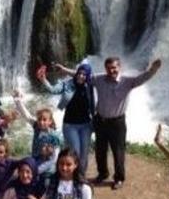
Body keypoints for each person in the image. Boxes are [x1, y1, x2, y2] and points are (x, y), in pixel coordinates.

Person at [56, 57, 161, 190]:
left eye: (114, 67)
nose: (112, 70)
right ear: (106, 69)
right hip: (100, 120)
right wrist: (64, 70)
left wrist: (153, 70)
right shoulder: (99, 79)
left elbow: (142, 78)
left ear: (119, 67)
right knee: (100, 150)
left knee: (118, 152)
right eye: (109, 68)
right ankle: (102, 173)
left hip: (117, 122)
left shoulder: (128, 81)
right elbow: (81, 74)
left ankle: (119, 178)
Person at [38, 62, 95, 176]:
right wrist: (43, 79)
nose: (81, 76)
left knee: (84, 154)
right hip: (70, 125)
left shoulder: (90, 85)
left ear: (87, 76)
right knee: (76, 152)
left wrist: (64, 69)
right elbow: (53, 90)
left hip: (86, 125)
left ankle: (81, 176)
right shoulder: (67, 84)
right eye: (79, 73)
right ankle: (74, 176)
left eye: (84, 74)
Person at [13, 90, 62, 161]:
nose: (41, 122)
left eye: (44, 120)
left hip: (47, 164)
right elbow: (27, 116)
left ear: (50, 121)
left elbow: (55, 156)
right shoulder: (36, 126)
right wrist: (18, 101)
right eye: (39, 119)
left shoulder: (53, 136)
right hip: (35, 159)